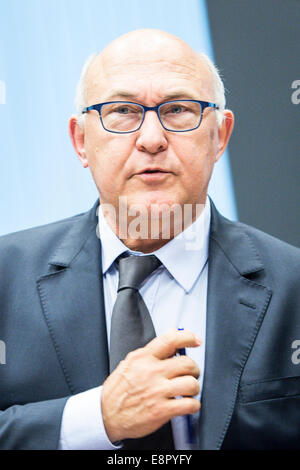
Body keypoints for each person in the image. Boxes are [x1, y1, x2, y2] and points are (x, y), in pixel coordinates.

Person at [1, 29, 300, 451]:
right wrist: (96, 419)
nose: (152, 138)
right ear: (81, 140)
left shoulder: (294, 285)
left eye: (178, 109)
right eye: (123, 110)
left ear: (219, 137)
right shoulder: (4, 276)